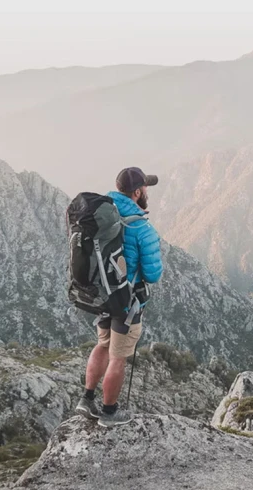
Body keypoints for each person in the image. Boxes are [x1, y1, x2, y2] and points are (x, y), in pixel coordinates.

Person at [76, 167, 163, 427]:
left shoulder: (103, 216)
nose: (146, 192)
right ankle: (109, 412)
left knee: (102, 345)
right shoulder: (141, 228)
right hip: (126, 302)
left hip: (101, 296)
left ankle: (87, 399)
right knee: (118, 356)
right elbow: (153, 274)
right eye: (145, 188)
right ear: (137, 193)